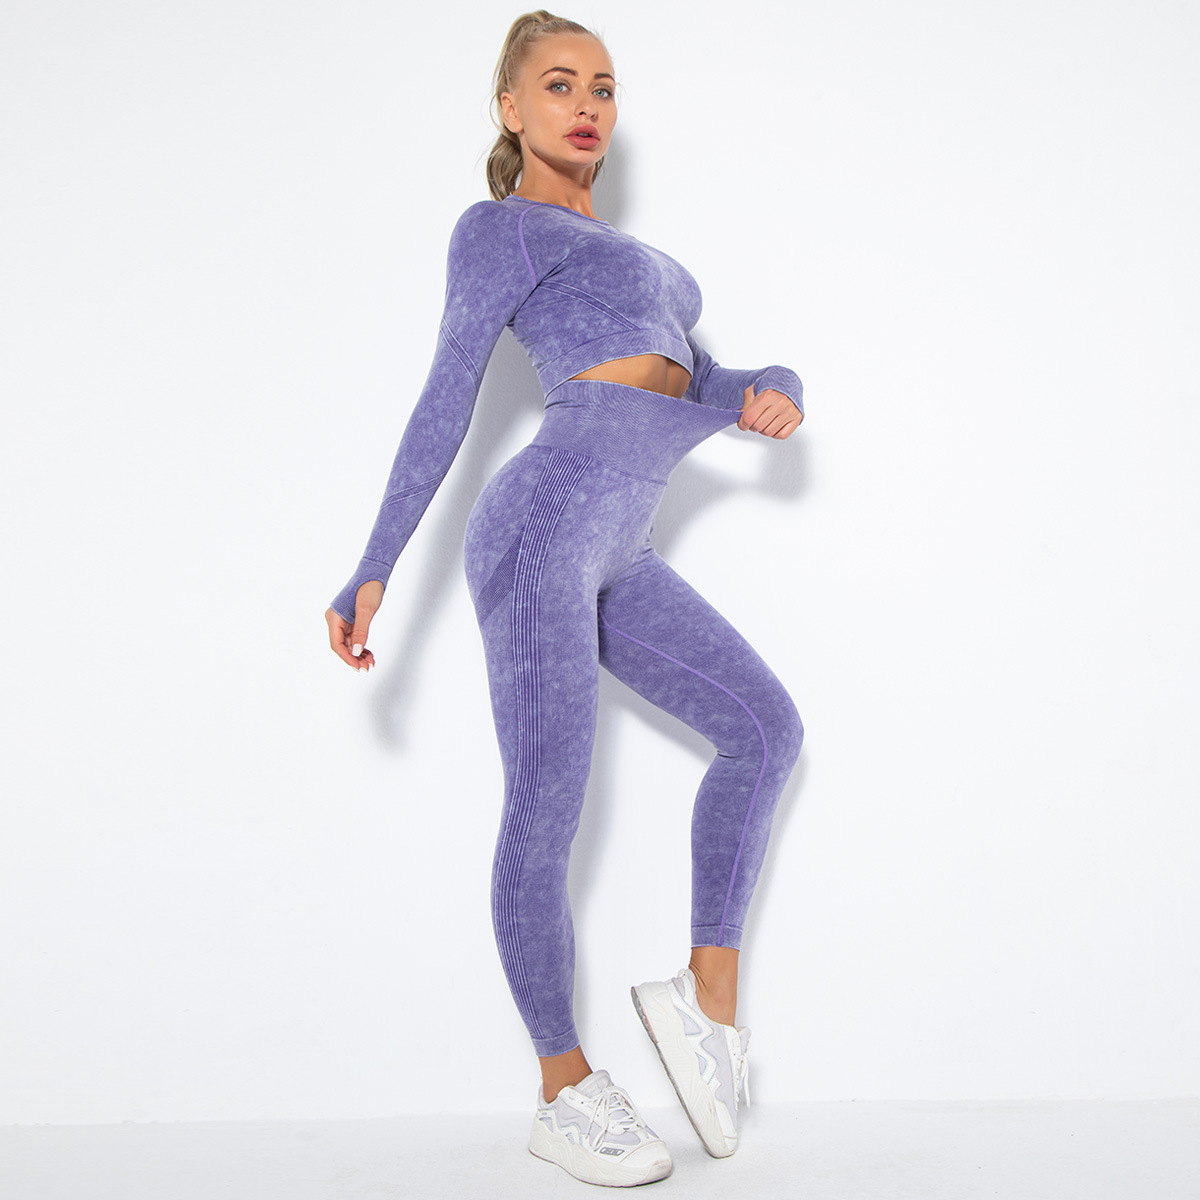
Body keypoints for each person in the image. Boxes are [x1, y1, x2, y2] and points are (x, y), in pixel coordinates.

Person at [324, 10, 805, 1188]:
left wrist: (779, 383)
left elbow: (708, 377)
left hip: (622, 543)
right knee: (547, 808)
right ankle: (561, 1088)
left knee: (764, 730)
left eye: (601, 86)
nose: (585, 105)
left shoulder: (652, 265)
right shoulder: (501, 229)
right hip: (541, 525)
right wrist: (376, 561)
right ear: (511, 108)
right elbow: (447, 393)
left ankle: (705, 1001)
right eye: (556, 85)